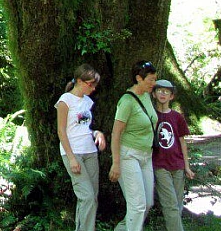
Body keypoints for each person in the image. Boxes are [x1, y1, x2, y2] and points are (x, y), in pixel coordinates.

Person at [56, 64, 107, 231]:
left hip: (90, 152)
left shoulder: (88, 101)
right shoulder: (65, 100)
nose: (93, 88)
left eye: (94, 85)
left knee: (90, 198)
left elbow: (85, 128)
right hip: (73, 153)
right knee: (88, 197)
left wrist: (97, 133)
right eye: (90, 84)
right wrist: (71, 158)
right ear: (79, 81)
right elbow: (61, 131)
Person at [109, 60, 158, 231]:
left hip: (146, 156)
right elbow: (116, 133)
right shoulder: (127, 102)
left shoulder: (146, 96)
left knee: (148, 203)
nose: (154, 83)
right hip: (128, 155)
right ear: (139, 78)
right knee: (137, 205)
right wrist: (116, 163)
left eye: (154, 79)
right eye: (150, 79)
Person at [152, 79, 194, 231]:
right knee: (170, 204)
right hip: (159, 164)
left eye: (166, 91)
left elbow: (182, 142)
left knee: (177, 203)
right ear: (154, 94)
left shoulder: (177, 117)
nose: (163, 94)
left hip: (177, 164)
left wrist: (187, 167)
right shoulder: (151, 115)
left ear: (171, 96)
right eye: (159, 90)